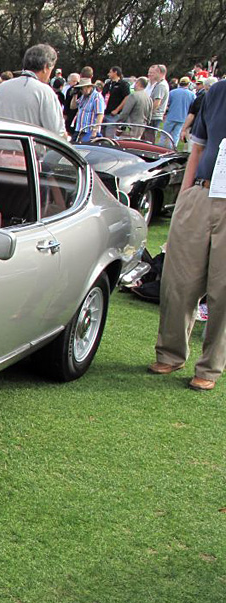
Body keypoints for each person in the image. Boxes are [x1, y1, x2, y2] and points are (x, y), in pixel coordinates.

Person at [149, 80, 226, 391]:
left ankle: (210, 368)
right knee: (178, 280)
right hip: (202, 193)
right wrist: (183, 199)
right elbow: (198, 147)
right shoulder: (216, 92)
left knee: (223, 291)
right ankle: (170, 353)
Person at [0, 43, 65, 137]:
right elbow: (57, 133)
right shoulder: (45, 91)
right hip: (27, 150)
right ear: (46, 67)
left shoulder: (1, 88)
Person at [163, 77, 195, 147]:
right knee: (175, 136)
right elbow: (193, 107)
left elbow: (167, 104)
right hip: (183, 118)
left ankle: (159, 149)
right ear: (188, 84)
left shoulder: (172, 92)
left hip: (171, 116)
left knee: (164, 135)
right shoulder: (192, 95)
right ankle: (172, 151)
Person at [71, 77, 104, 141]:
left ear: (88, 87)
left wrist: (95, 130)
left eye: (82, 88)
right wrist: (74, 95)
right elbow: (73, 107)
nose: (81, 90)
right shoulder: (83, 97)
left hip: (89, 131)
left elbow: (100, 114)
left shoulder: (97, 97)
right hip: (79, 129)